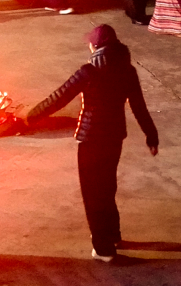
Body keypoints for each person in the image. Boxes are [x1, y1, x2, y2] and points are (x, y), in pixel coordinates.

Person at [21, 25, 159, 263]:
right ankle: (113, 235)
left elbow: (59, 98)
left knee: (93, 194)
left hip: (91, 139)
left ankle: (103, 248)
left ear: (95, 46)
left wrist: (30, 116)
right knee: (107, 187)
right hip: (115, 138)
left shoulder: (88, 71)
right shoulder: (128, 70)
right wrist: (151, 135)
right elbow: (139, 106)